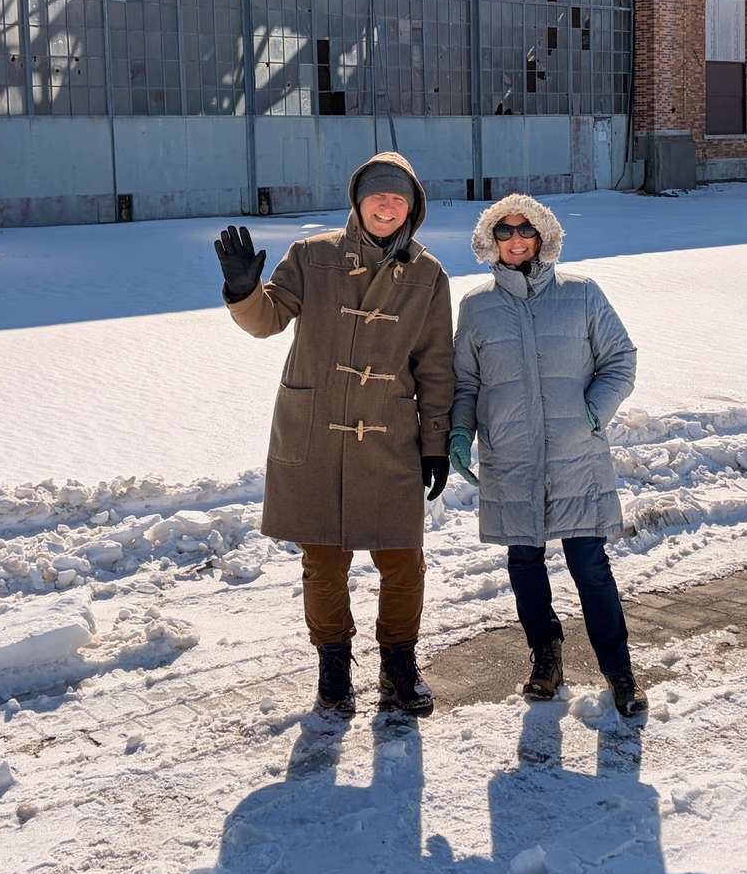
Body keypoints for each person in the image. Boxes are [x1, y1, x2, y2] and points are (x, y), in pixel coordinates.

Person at [214, 153, 454, 717]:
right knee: (322, 561)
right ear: (358, 201)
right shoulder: (313, 257)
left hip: (390, 435)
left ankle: (399, 667)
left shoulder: (428, 275)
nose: (387, 206)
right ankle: (334, 671)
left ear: (413, 208)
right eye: (378, 196)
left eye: (399, 198)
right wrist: (243, 292)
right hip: (314, 431)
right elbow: (267, 320)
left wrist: (436, 442)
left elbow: (437, 367)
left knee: (402, 560)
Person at [449, 194, 646, 716]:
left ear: (544, 236)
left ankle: (619, 671)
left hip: (575, 455)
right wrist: (458, 433)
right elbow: (465, 382)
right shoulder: (476, 307)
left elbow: (620, 360)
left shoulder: (581, 295)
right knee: (525, 562)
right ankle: (546, 657)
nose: (516, 240)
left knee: (590, 565)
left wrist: (593, 412)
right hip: (510, 457)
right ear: (490, 241)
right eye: (505, 232)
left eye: (526, 230)